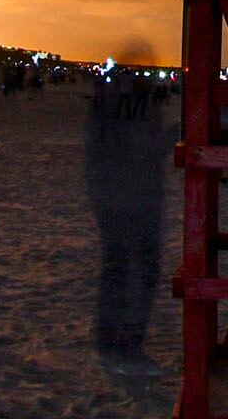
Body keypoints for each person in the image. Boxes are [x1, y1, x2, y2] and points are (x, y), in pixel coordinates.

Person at [86, 48, 169, 374]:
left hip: (112, 198)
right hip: (137, 199)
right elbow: (148, 150)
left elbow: (96, 153)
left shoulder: (104, 103)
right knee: (142, 272)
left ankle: (107, 340)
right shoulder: (143, 106)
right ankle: (127, 345)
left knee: (117, 270)